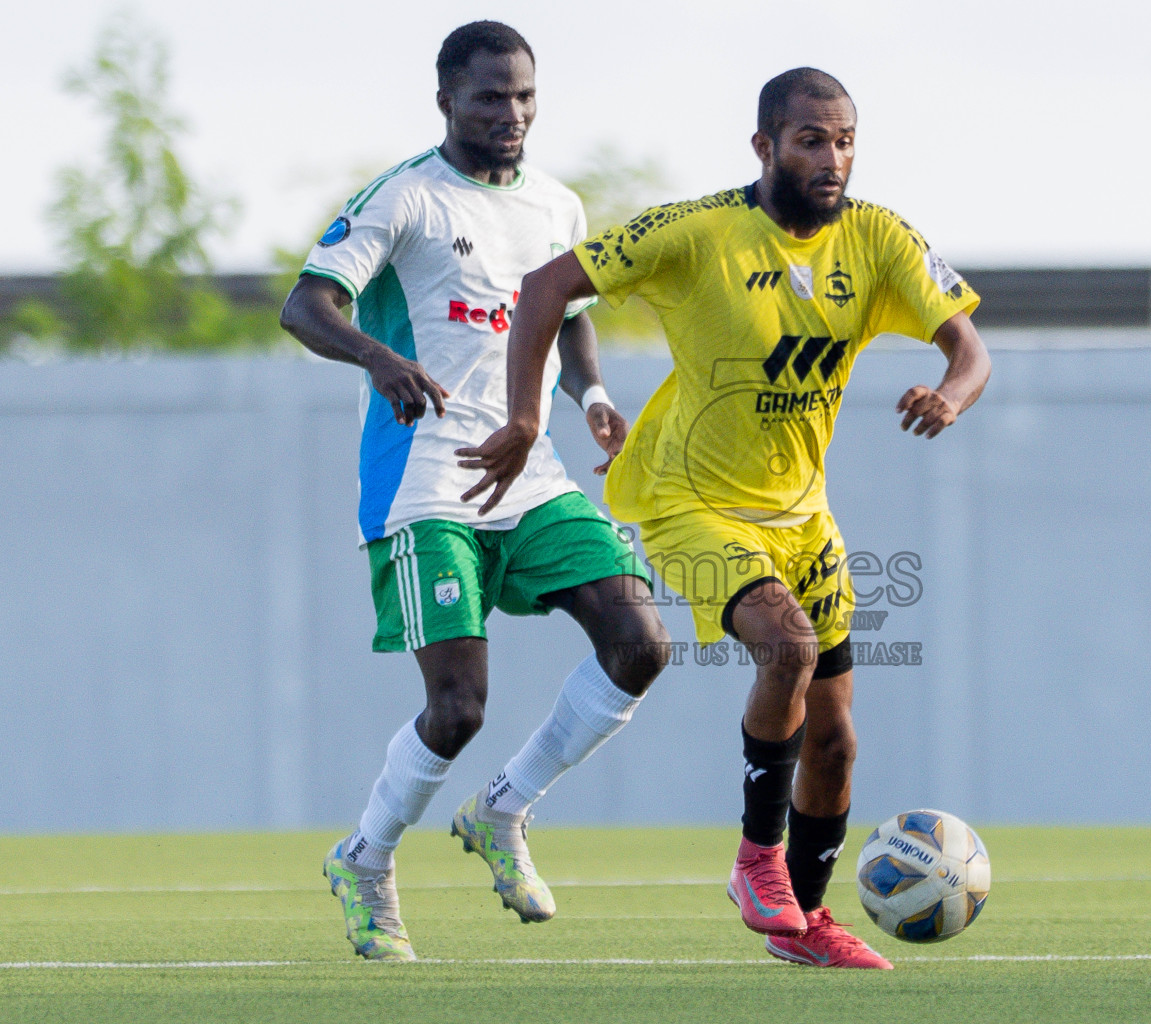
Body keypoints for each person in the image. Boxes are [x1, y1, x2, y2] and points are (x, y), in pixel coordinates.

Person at [459, 67, 991, 969]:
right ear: (764, 145)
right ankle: (757, 865)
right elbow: (547, 286)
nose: (833, 159)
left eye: (846, 140)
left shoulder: (880, 237)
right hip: (685, 497)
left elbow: (971, 349)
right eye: (812, 140)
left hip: (802, 516)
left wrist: (950, 394)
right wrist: (525, 415)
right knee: (783, 645)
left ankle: (807, 925)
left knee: (836, 740)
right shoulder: (697, 231)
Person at [279, 21, 670, 962]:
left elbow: (566, 319)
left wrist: (597, 395)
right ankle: (366, 860)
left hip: (530, 478)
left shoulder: (558, 206)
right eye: (490, 96)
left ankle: (504, 810)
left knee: (642, 641)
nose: (512, 113)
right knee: (459, 708)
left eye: (525, 96)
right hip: (428, 482)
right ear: (447, 98)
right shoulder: (405, 197)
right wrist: (381, 359)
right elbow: (306, 304)